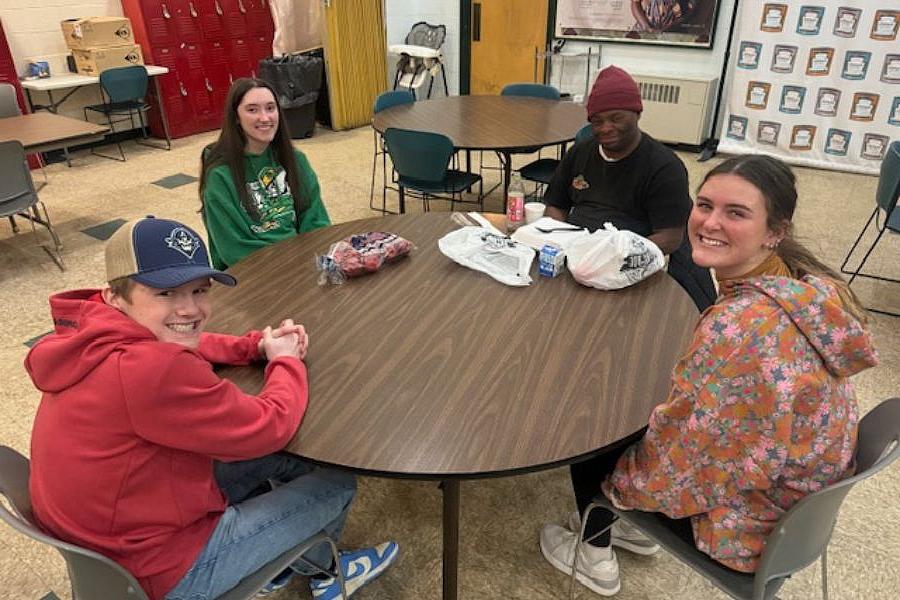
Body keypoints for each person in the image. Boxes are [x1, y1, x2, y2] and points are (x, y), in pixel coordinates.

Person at [540, 155, 878, 596]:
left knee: (590, 428)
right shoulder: (806, 285)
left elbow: (686, 462)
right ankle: (627, 529)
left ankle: (595, 550)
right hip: (797, 498)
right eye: (704, 205)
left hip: (753, 525)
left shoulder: (740, 328)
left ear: (775, 232)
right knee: (649, 405)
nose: (710, 222)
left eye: (735, 213)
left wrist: (627, 484)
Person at [26, 216, 398, 600]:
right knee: (335, 482)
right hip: (156, 570)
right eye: (165, 294)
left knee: (289, 464)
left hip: (106, 542)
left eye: (199, 290)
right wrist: (285, 361)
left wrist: (252, 346)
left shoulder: (91, 332)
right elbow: (268, 426)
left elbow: (181, 340)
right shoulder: (150, 370)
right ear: (115, 296)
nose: (189, 309)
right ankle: (329, 576)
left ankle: (283, 561)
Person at [543, 65, 716, 310]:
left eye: (616, 118)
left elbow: (670, 237)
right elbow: (557, 205)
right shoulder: (581, 152)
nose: (605, 128)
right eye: (597, 120)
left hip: (633, 264)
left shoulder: (664, 167)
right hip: (579, 256)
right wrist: (558, 239)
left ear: (636, 114)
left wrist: (614, 263)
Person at [199, 77, 331, 270]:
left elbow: (316, 219)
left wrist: (308, 259)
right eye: (252, 110)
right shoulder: (220, 175)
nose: (265, 117)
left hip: (301, 266)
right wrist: (292, 264)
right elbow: (234, 248)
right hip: (253, 276)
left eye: (270, 108)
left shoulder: (294, 159)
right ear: (236, 117)